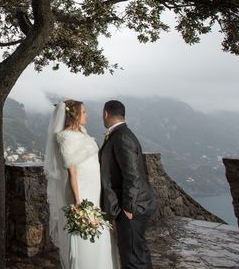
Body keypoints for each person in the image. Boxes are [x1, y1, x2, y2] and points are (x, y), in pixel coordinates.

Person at [45, 100, 117, 269]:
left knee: (100, 230)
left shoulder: (83, 133)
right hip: (81, 191)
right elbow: (72, 171)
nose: (87, 115)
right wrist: (78, 201)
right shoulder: (65, 137)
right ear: (75, 115)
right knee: (83, 232)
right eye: (84, 112)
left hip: (94, 190)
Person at [99, 100, 157, 269]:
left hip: (132, 207)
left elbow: (132, 175)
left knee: (132, 257)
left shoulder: (122, 136)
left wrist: (129, 207)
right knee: (139, 252)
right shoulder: (122, 133)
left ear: (105, 114)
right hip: (134, 204)